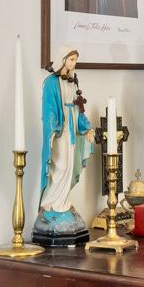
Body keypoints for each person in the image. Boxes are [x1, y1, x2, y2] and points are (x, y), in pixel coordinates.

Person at [32, 50, 92, 247]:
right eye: (72, 59)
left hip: (72, 126)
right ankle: (50, 202)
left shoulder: (72, 81)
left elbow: (79, 106)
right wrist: (53, 128)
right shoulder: (51, 82)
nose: (74, 63)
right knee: (61, 165)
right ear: (63, 59)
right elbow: (49, 108)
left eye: (76, 59)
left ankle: (62, 201)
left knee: (71, 164)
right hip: (60, 130)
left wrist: (87, 127)